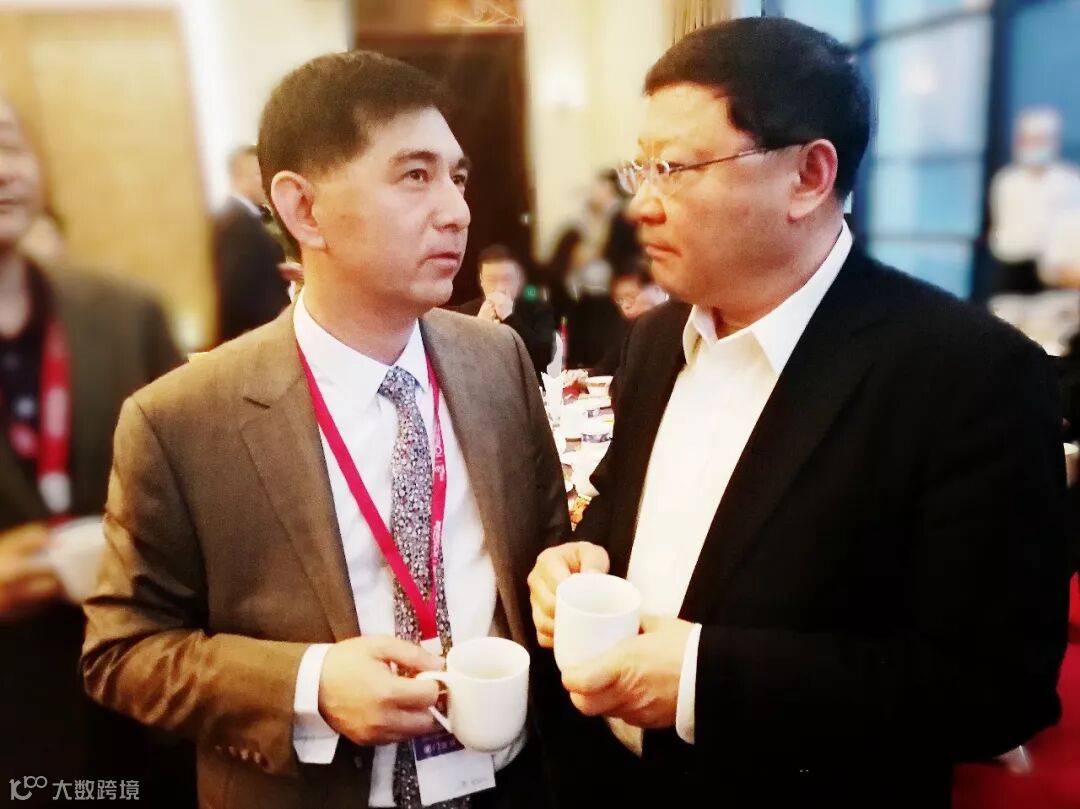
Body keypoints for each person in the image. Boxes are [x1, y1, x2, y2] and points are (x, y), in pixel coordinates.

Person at [527, 18, 1068, 808]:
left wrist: (705, 679)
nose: (641, 205)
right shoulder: (654, 339)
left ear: (809, 176)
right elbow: (619, 504)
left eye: (674, 168)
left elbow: (994, 687)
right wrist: (582, 557)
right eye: (641, 167)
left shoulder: (967, 375)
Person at [81, 51, 568, 809]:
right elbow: (123, 651)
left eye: (458, 176)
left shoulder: (496, 358)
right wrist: (309, 685)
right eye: (415, 175)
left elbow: (541, 546)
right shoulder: (183, 418)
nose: (457, 211)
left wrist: (564, 574)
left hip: (511, 782)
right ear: (304, 208)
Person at [0, 94, 184, 796]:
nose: (2, 171)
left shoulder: (126, 315)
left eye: (9, 146)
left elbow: (197, 486)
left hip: (145, 706)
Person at [989, 107, 1080, 294]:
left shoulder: (1070, 180)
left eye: (1041, 139)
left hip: (1060, 274)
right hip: (1014, 268)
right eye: (1030, 139)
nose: (1035, 145)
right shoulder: (1007, 180)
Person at [213, 144, 290, 343]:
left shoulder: (246, 217)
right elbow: (235, 288)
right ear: (239, 176)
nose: (265, 181)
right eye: (258, 174)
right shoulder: (237, 222)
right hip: (255, 336)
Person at [456, 244, 554, 380]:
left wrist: (509, 317)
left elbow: (545, 358)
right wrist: (478, 326)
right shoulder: (465, 311)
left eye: (507, 280)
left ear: (518, 280)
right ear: (482, 280)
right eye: (492, 280)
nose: (500, 288)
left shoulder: (538, 309)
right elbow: (457, 363)